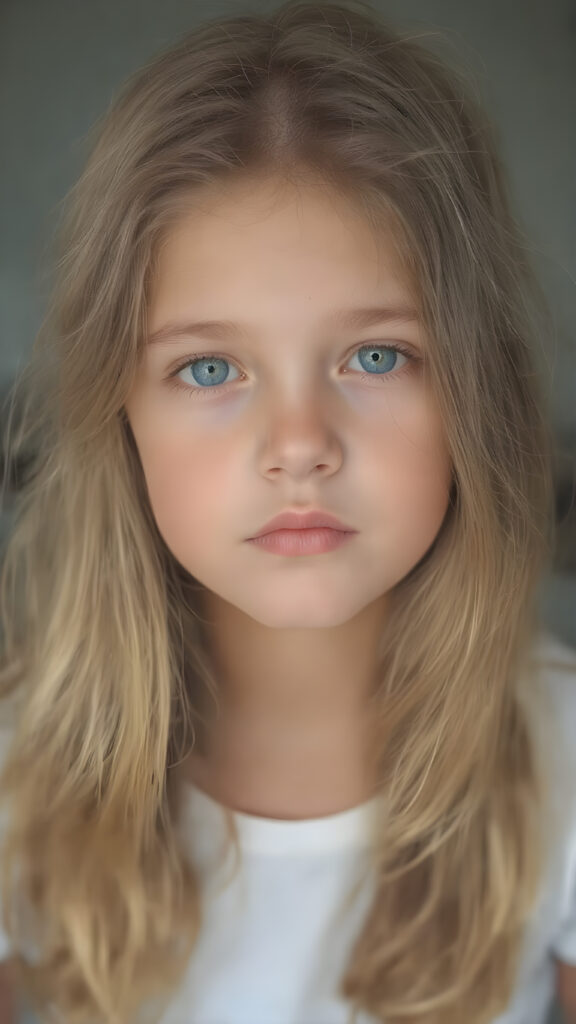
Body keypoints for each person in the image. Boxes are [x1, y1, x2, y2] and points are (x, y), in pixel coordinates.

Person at [0, 1, 575, 1022]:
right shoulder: (16, 770)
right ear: (118, 411)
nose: (300, 442)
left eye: (376, 356)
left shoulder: (565, 765)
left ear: (474, 388)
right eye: (209, 367)